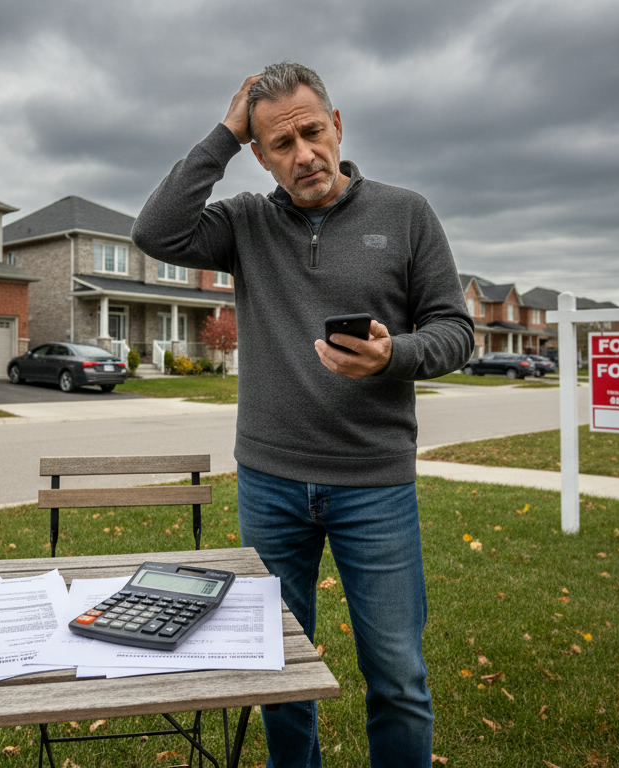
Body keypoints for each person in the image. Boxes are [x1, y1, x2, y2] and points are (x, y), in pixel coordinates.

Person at [133, 62, 474, 768]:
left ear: (338, 125)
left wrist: (394, 355)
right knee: (279, 672)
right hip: (271, 482)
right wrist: (225, 134)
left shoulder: (406, 214)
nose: (304, 155)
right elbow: (156, 233)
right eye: (279, 144)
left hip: (373, 484)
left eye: (312, 132)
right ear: (259, 155)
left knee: (399, 676)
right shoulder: (245, 223)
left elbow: (455, 330)